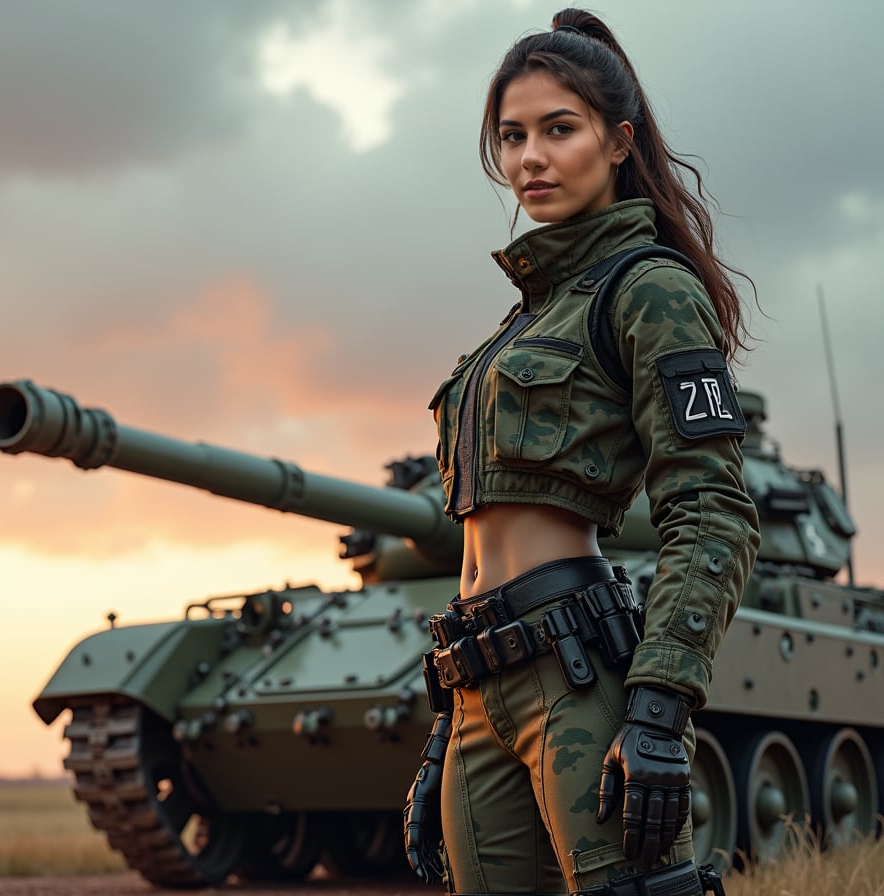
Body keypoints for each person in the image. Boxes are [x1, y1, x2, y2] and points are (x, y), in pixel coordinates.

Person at [404, 8, 760, 896]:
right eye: (512, 135)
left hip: (577, 676)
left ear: (618, 141)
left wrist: (659, 706)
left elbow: (712, 510)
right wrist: (447, 726)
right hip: (478, 687)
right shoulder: (523, 319)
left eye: (559, 129)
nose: (531, 157)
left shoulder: (650, 290)